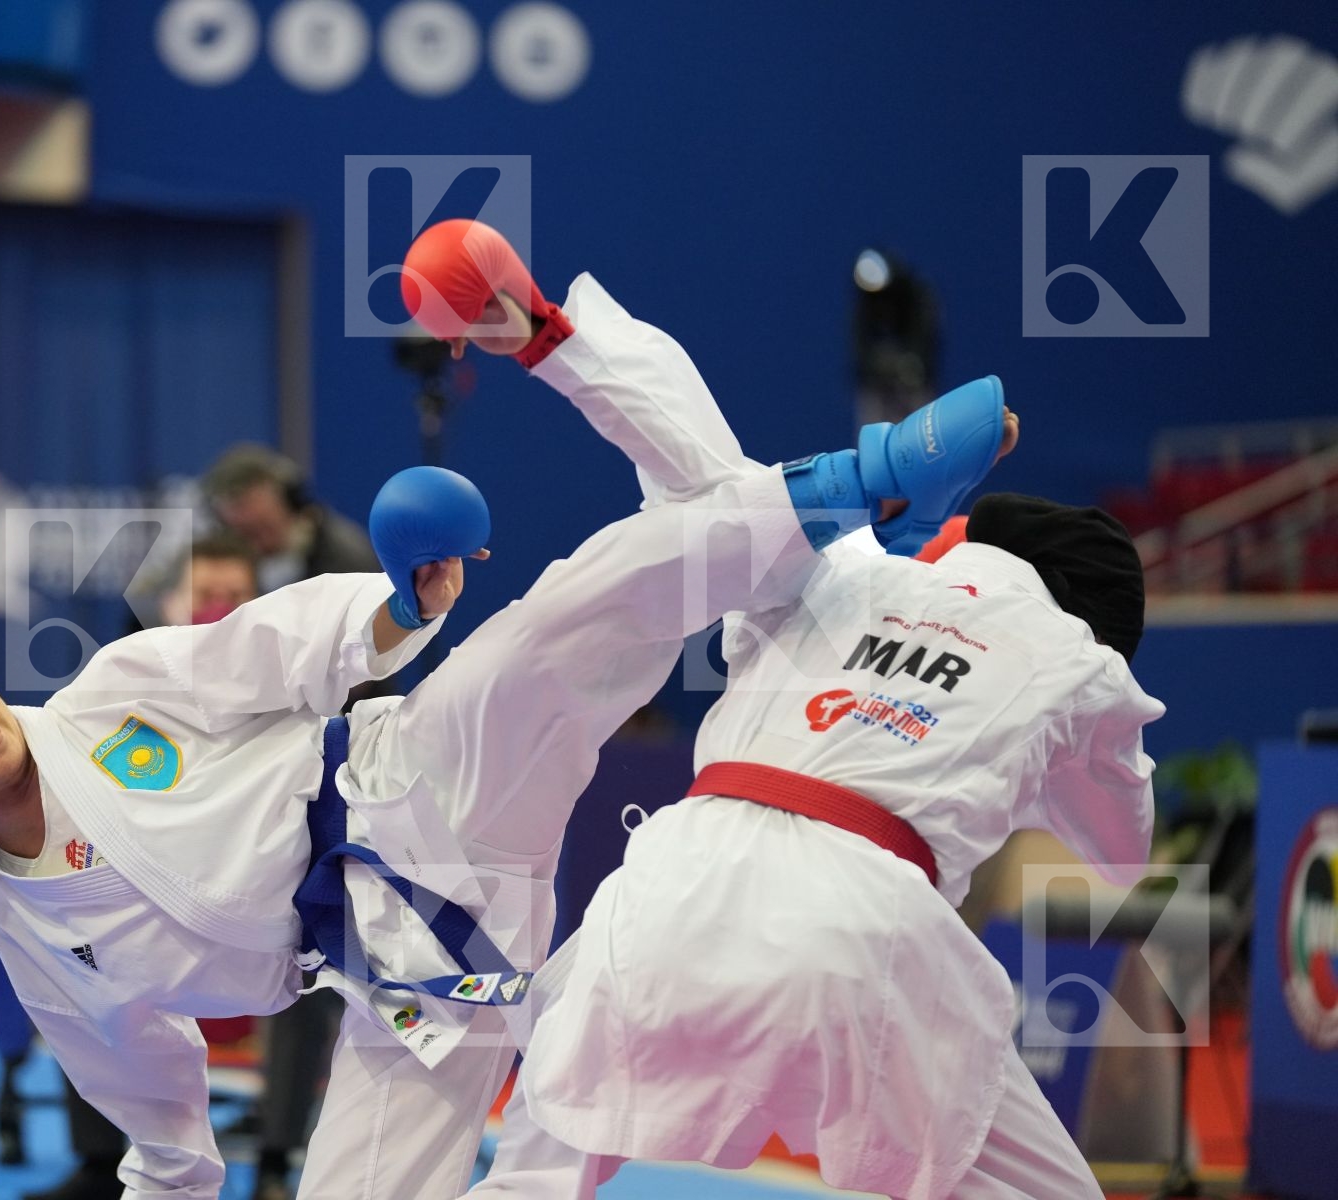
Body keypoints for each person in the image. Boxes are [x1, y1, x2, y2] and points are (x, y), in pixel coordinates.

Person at [0, 223, 1010, 1200]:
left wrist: (389, 616)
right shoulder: (43, 944)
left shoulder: (102, 703)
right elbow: (156, 1112)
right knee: (694, 517)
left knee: (575, 612)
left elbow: (257, 655)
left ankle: (868, 477)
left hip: (407, 781)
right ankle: (576, 349)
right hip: (399, 978)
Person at [399, 222, 1162, 1200]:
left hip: (673, 890)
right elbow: (1121, 858)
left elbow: (703, 465)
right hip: (870, 934)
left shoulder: (841, 567)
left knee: (536, 1161)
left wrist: (549, 336)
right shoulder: (1083, 665)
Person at [24, 533, 268, 1200]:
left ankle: (276, 1159)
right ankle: (102, 1162)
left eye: (234, 598)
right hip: (141, 908)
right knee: (71, 948)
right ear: (165, 604)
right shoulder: (110, 693)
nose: (218, 611)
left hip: (263, 915)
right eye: (204, 596)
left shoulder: (289, 692)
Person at [202, 444, 378, 593]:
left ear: (290, 501)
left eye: (262, 526)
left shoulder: (345, 558)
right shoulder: (216, 567)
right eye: (244, 532)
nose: (254, 543)